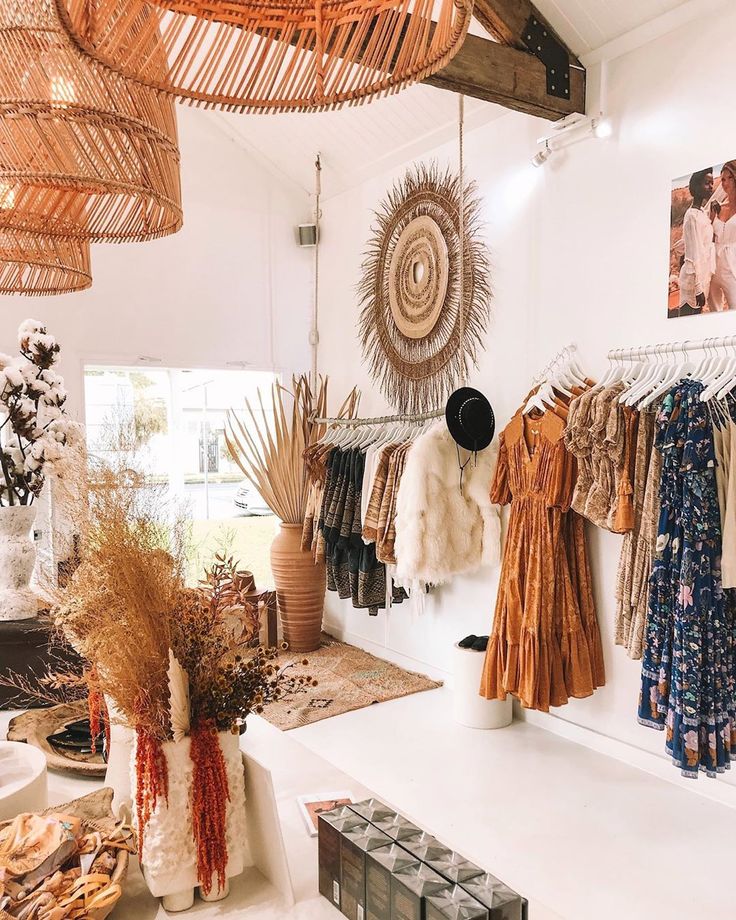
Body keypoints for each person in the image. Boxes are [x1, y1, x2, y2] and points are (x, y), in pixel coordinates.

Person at [677, 167, 715, 316]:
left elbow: (705, 242)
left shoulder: (701, 213)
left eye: (712, 183)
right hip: (693, 283)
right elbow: (692, 256)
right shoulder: (691, 216)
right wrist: (698, 289)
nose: (711, 187)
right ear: (696, 186)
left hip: (702, 277)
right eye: (707, 183)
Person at [710, 161, 736, 311]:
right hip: (713, 267)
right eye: (722, 179)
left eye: (729, 178)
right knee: (714, 309)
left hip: (732, 267)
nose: (725, 183)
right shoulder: (717, 208)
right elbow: (710, 237)